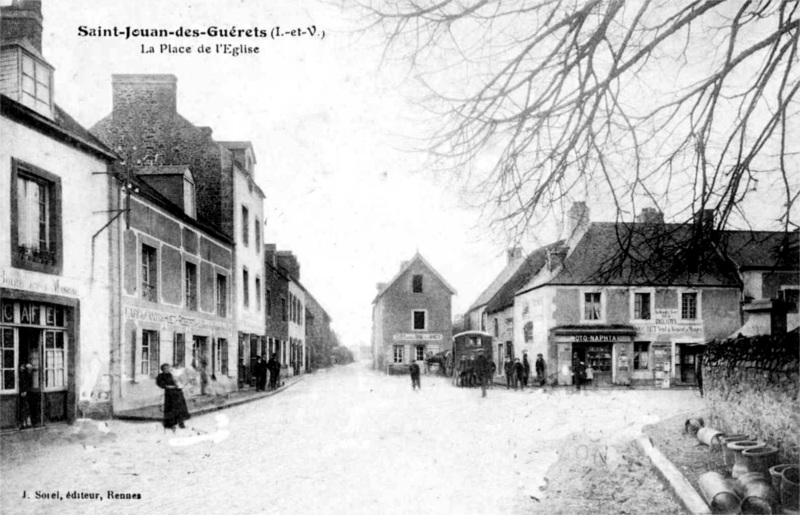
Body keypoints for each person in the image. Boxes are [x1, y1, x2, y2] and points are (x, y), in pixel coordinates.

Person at [156, 363, 190, 432]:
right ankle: (171, 424)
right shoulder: (161, 376)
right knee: (171, 408)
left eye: (168, 368)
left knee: (181, 407)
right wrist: (167, 386)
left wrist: (181, 384)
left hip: (178, 393)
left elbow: (181, 380)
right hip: (169, 394)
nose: (167, 369)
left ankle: (181, 423)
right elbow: (160, 383)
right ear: (162, 369)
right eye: (165, 368)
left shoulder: (173, 374)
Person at [18, 363, 33, 429]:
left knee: (25, 407)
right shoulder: (23, 375)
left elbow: (26, 384)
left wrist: (24, 391)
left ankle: (26, 422)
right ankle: (25, 422)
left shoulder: (26, 375)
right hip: (24, 393)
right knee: (25, 407)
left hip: (25, 393)